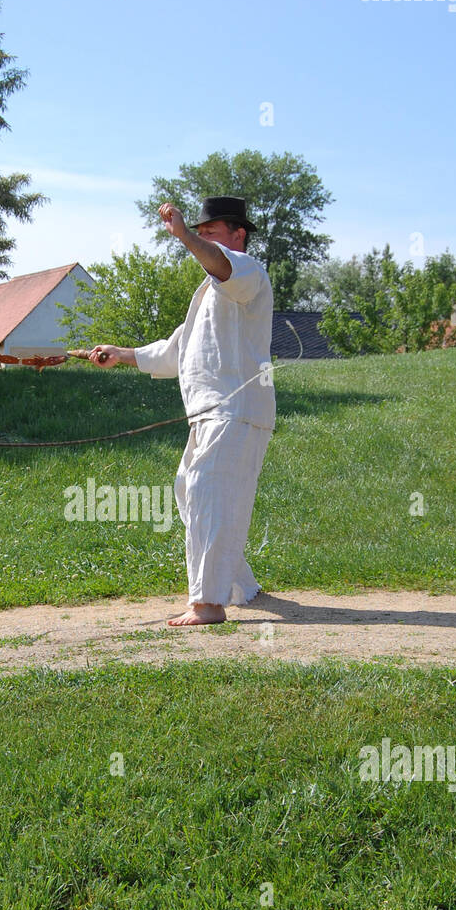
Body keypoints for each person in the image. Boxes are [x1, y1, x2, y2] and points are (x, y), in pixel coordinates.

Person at [88, 196, 275, 627]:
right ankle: (236, 585)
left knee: (210, 493)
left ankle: (208, 603)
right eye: (201, 232)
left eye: (212, 232)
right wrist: (121, 354)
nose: (204, 240)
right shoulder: (207, 294)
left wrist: (186, 235)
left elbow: (221, 265)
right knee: (191, 492)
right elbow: (175, 353)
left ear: (237, 235)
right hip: (211, 414)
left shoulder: (247, 271)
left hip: (235, 410)